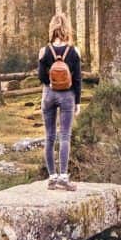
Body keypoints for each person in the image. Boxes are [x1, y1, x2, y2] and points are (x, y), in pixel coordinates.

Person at [38, 12, 82, 191]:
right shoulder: (74, 51)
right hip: (67, 96)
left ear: (52, 28)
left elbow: (40, 76)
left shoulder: (44, 50)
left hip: (48, 95)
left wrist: (50, 84)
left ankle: (52, 178)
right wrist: (77, 101)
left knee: (49, 137)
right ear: (67, 29)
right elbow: (78, 79)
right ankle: (64, 178)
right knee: (64, 136)